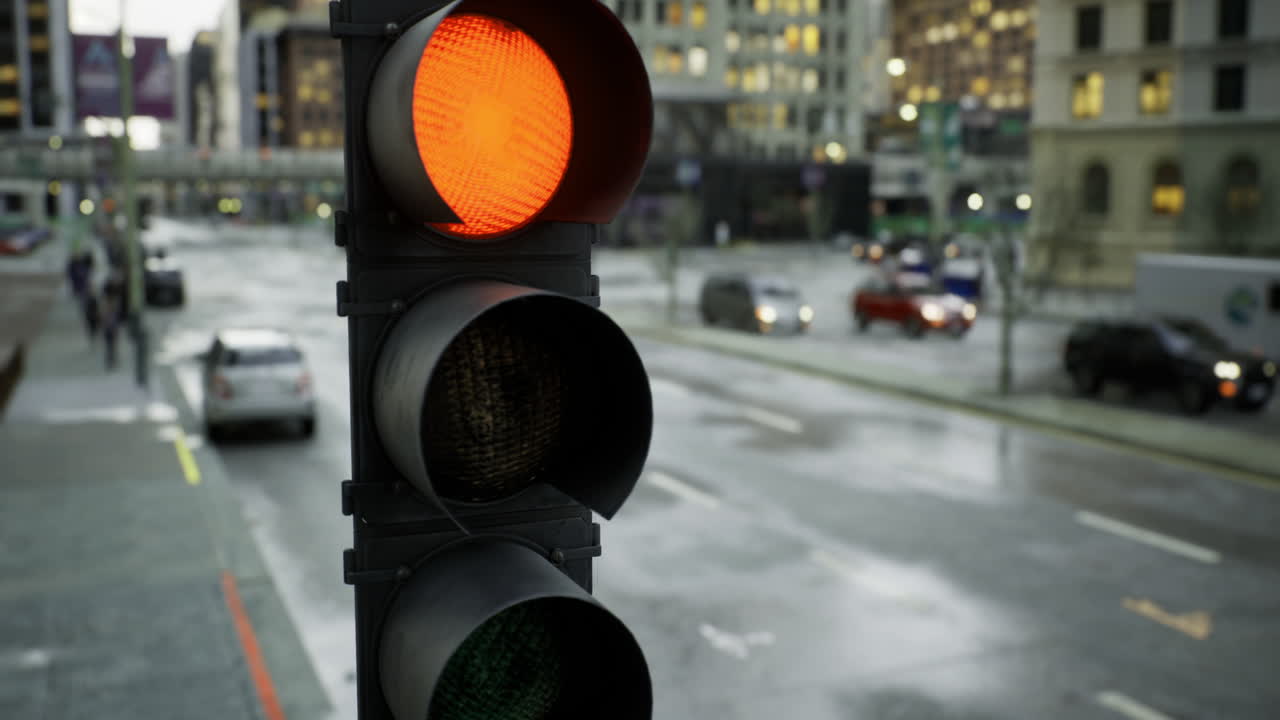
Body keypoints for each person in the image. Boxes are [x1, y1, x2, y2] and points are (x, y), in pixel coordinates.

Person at [101, 267, 125, 370]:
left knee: (112, 342)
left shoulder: (115, 302)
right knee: (110, 342)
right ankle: (111, 360)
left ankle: (112, 359)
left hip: (112, 323)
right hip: (109, 324)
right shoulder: (109, 303)